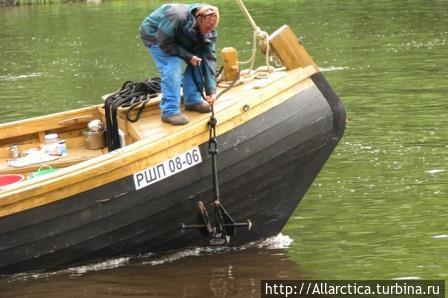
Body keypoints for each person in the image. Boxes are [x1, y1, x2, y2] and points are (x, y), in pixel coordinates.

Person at [140, 3, 220, 126]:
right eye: (207, 29)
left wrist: (211, 90)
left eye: (212, 29)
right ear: (198, 19)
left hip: (179, 36)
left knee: (199, 60)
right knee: (173, 64)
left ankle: (193, 100)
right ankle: (169, 111)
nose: (209, 32)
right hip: (156, 36)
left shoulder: (208, 30)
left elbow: (209, 59)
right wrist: (188, 56)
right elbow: (164, 43)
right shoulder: (177, 15)